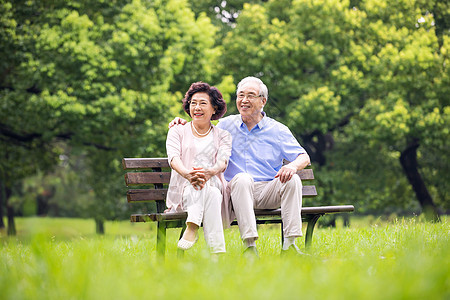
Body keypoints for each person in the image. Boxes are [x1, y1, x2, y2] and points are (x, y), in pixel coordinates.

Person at [170, 76, 310, 256]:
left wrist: (292, 167)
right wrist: (181, 123)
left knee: (293, 180)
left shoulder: (278, 130)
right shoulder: (226, 125)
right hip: (235, 193)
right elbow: (200, 126)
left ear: (263, 101)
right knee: (242, 179)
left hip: (267, 190)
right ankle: (250, 247)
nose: (244, 100)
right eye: (240, 95)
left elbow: (303, 156)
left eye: (250, 95)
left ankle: (289, 246)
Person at [166, 82, 232, 255]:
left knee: (208, 186)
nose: (197, 107)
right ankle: (217, 255)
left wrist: (208, 173)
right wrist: (188, 174)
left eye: (203, 103)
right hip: (184, 191)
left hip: (212, 182)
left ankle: (192, 227)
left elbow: (222, 162)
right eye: (193, 103)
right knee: (210, 192)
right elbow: (173, 159)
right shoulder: (177, 131)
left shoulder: (223, 136)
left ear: (214, 108)